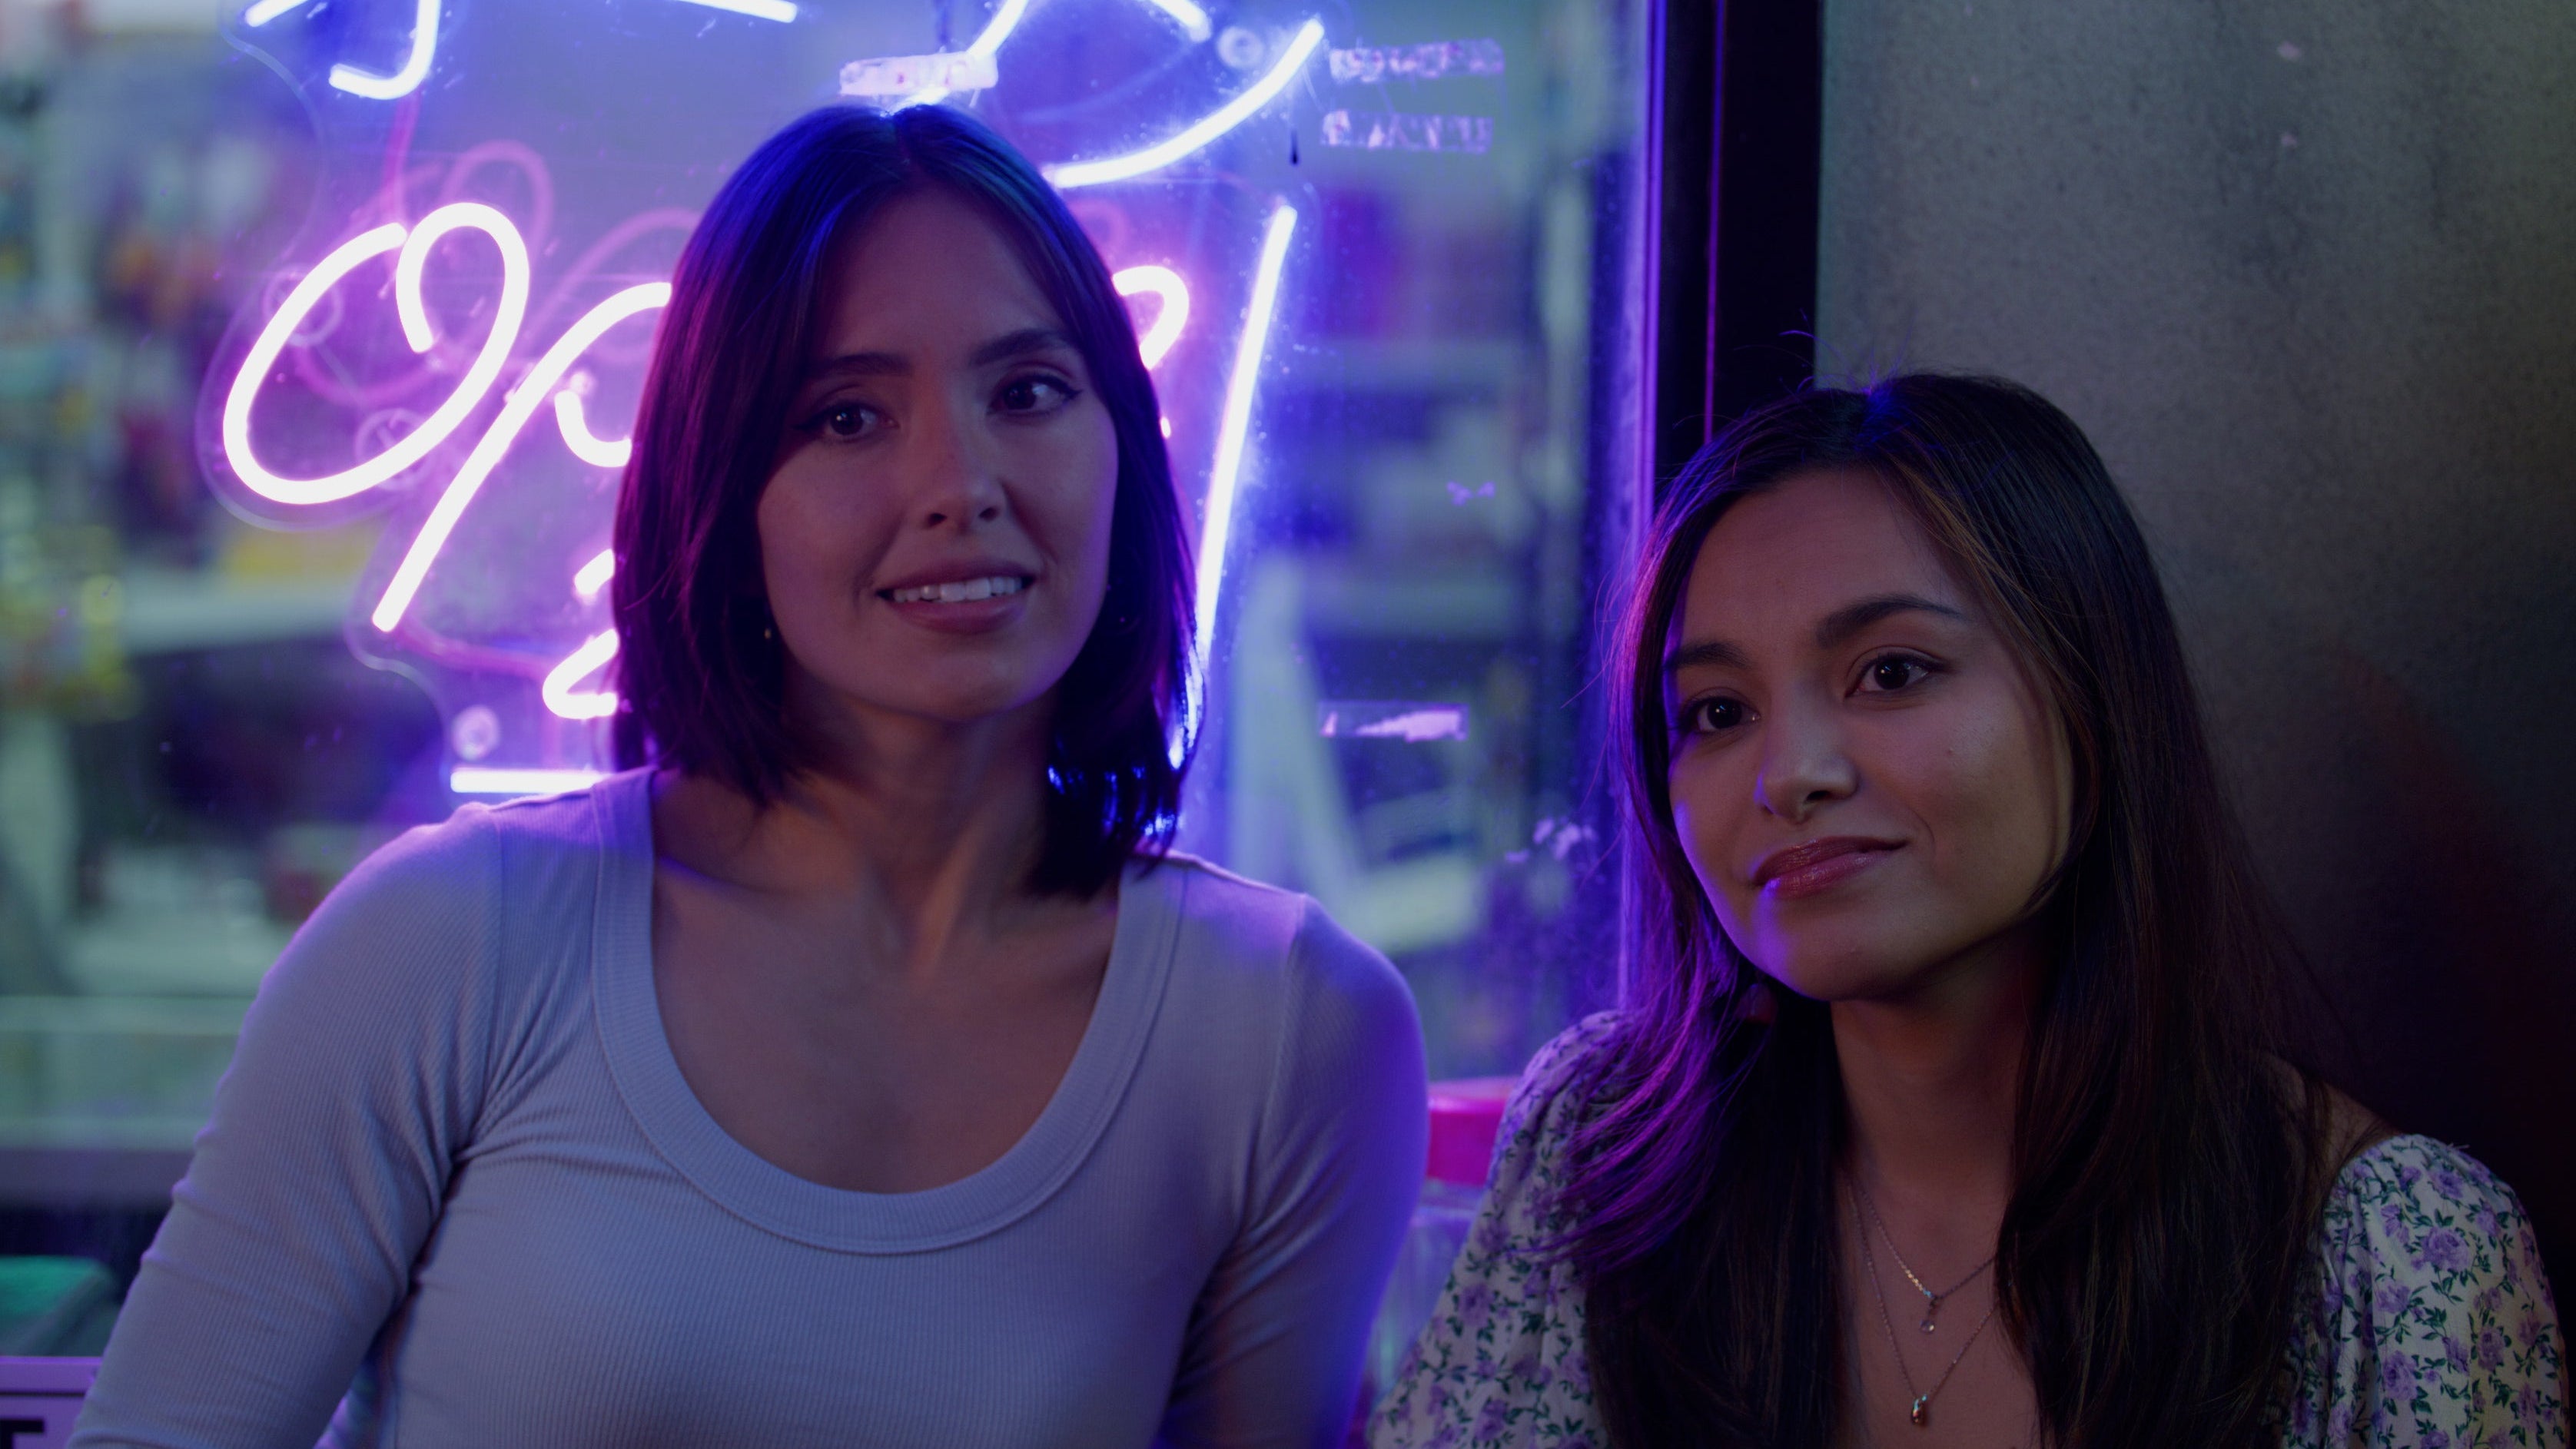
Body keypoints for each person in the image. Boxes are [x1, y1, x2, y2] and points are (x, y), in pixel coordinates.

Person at [76, 104, 1425, 1448]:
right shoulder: (447, 947)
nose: (959, 481)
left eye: (1027, 392)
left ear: (1124, 442)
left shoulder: (1288, 1032)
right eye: (846, 416)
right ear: (719, 491)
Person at [1373, 375, 2564, 1447]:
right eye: (1719, 712)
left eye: (1890, 671)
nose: (1790, 772)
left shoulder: (2394, 1257)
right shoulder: (1607, 1151)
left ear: (2096, 703)